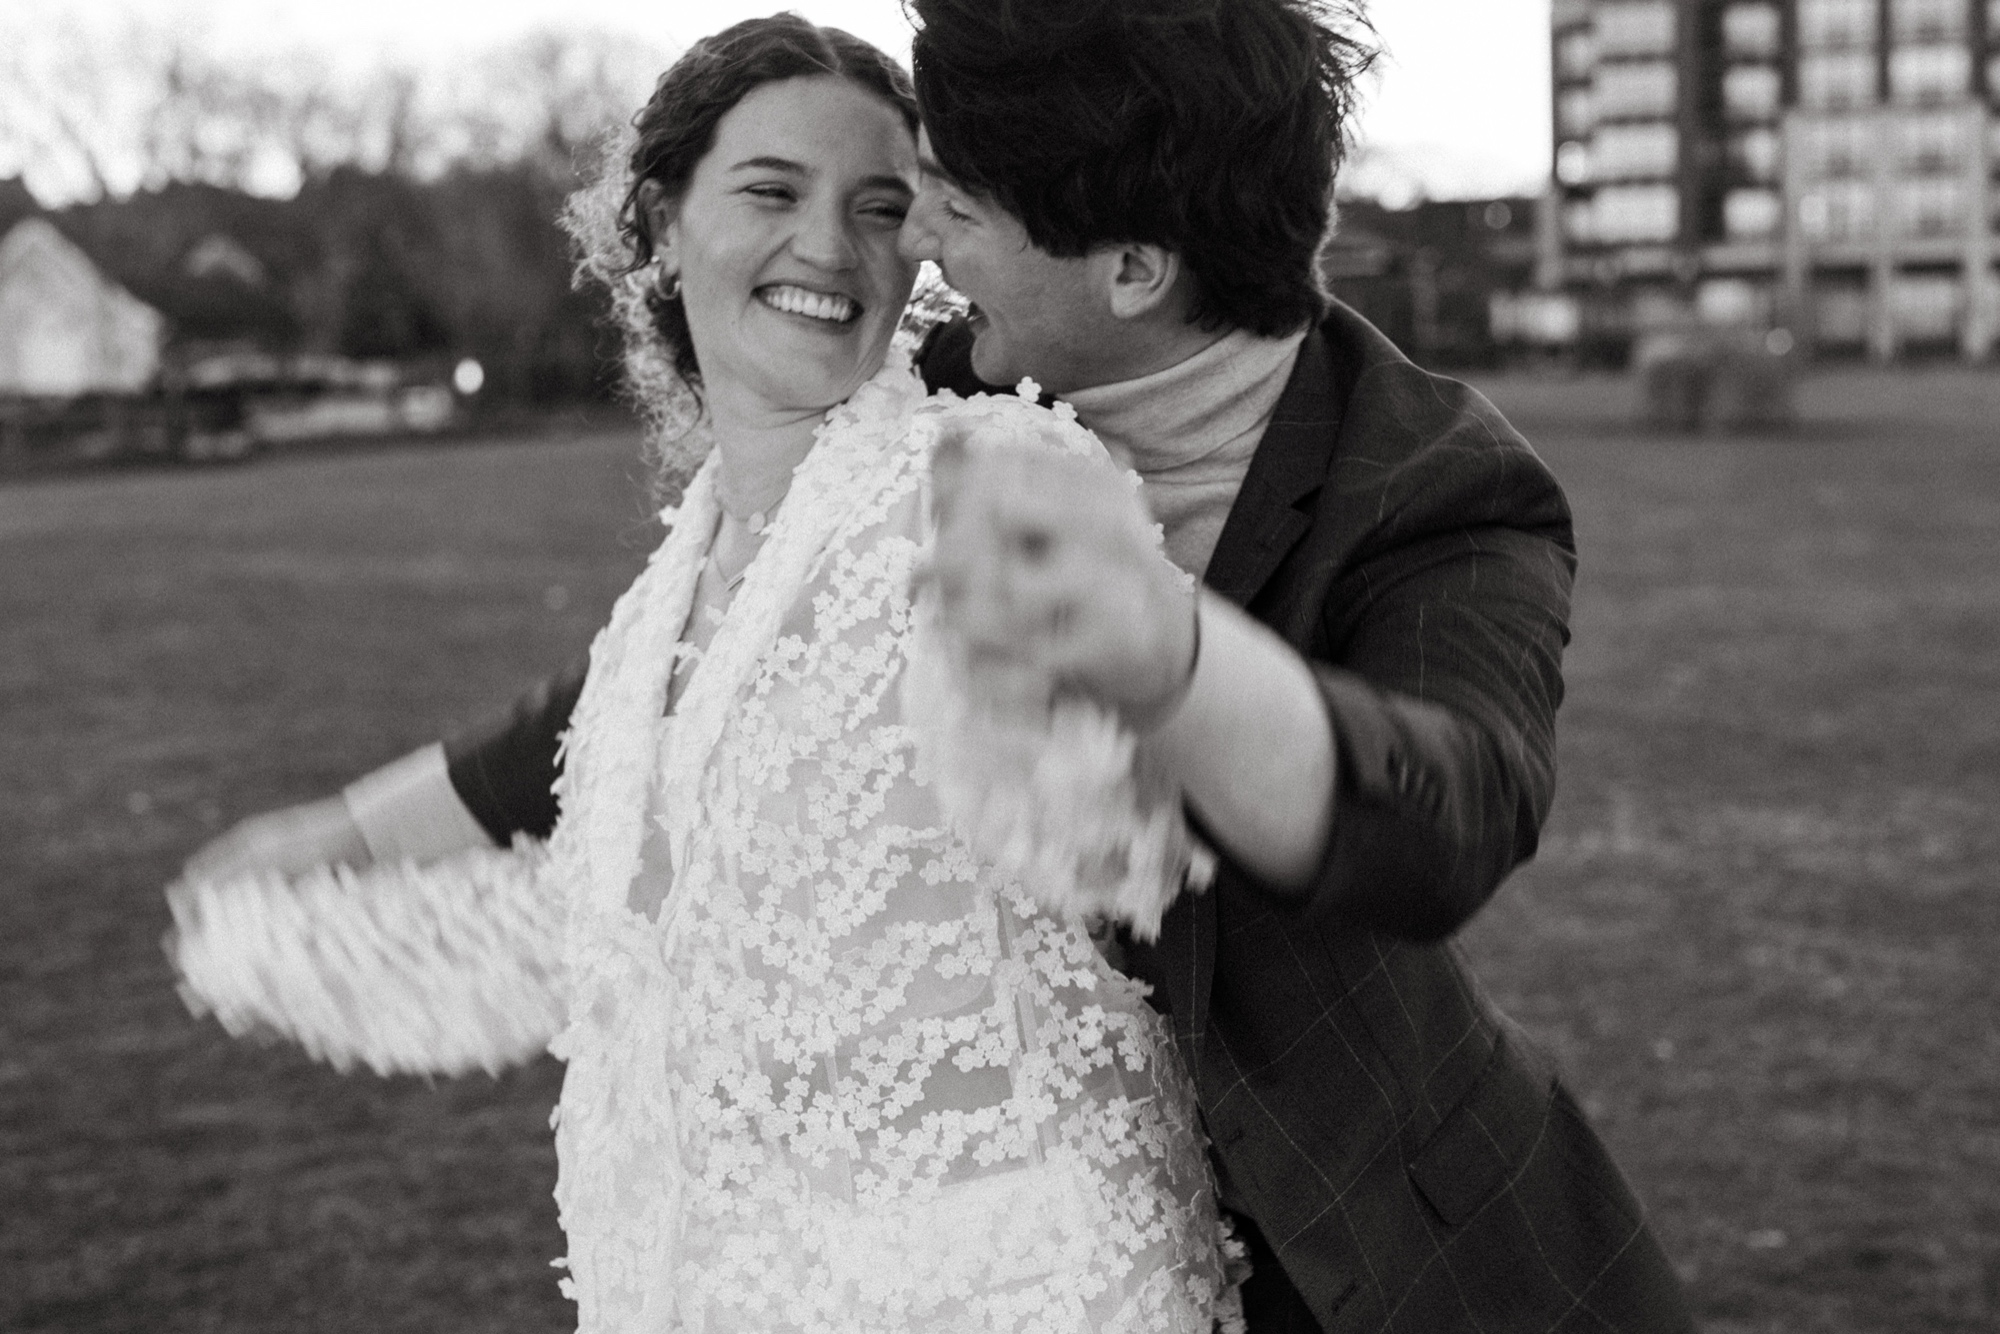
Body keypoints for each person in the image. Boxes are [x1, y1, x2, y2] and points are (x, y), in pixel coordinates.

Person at [185, 1, 1699, 1330]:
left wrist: (1168, 658)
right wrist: (366, 831)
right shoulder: (939, 394)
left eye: (951, 206)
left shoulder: (1438, 486)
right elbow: (694, 677)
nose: (910, 244)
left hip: (1360, 1239)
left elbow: (1449, 811)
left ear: (1131, 266)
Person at [170, 16, 1244, 1333]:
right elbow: (614, 849)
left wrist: (1072, 744)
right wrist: (337, 843)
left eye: (882, 206)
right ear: (661, 223)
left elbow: (1120, 800)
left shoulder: (980, 479)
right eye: (773, 191)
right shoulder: (663, 606)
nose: (831, 246)